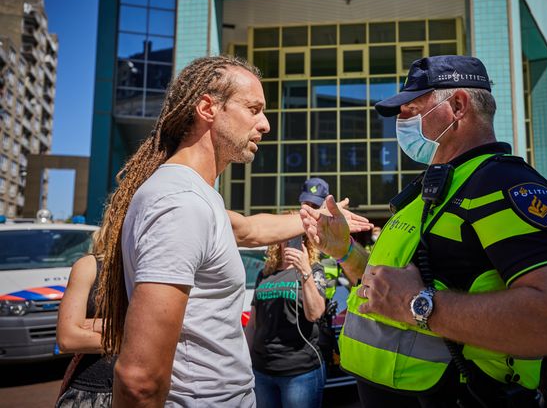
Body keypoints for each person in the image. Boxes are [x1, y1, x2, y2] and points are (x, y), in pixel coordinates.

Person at [300, 55, 547, 407]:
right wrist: (346, 251)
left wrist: (418, 305)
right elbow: (388, 286)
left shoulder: (503, 184)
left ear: (457, 106)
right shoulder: (432, 189)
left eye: (412, 109)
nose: (401, 122)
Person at [93, 55, 371, 407]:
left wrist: (314, 219)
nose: (265, 124)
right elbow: (140, 380)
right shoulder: (180, 203)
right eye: (254, 109)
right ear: (208, 108)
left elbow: (251, 229)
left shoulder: (195, 196)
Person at [245, 233, 327, 408]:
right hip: (262, 370)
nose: (290, 241)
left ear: (304, 241)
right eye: (286, 236)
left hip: (299, 372)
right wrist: (244, 358)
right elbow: (253, 323)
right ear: (278, 240)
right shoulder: (265, 274)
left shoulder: (314, 270)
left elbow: (315, 314)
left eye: (296, 237)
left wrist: (305, 271)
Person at [56, 231, 114, 407]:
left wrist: (103, 325)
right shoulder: (90, 266)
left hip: (150, 388)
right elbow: (67, 338)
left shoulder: (162, 270)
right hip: (92, 392)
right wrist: (137, 336)